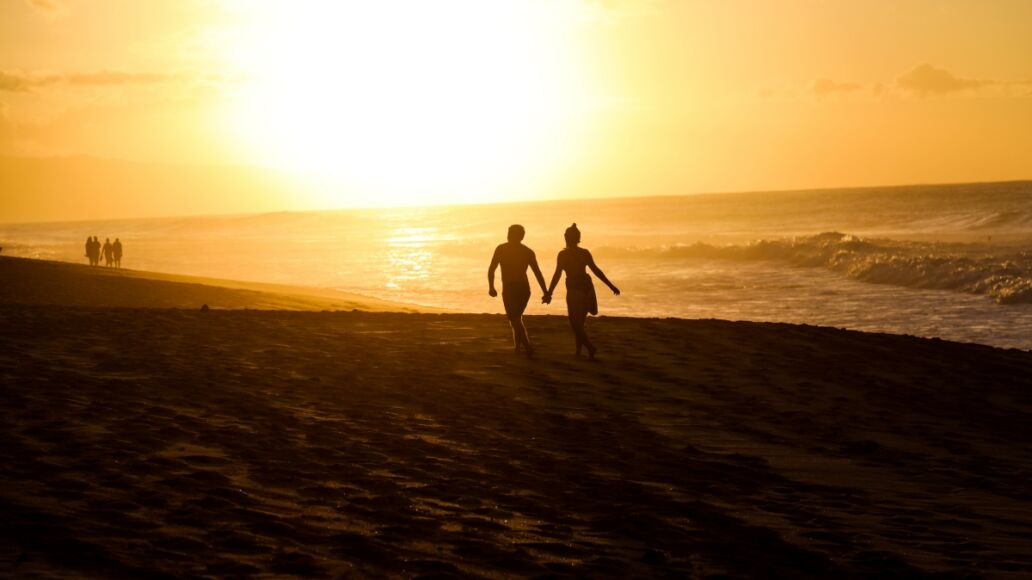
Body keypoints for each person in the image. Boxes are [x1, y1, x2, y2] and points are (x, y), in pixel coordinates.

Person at [544, 223, 620, 360]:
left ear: (566, 238)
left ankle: (590, 348)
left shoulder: (563, 254)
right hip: (588, 288)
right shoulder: (584, 253)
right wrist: (611, 286)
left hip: (575, 289)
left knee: (575, 324)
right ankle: (578, 351)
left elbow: (557, 274)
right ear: (578, 238)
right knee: (580, 323)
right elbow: (596, 271)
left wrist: (549, 292)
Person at [488, 224, 549, 356]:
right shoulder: (522, 251)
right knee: (515, 318)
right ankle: (517, 348)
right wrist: (491, 286)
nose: (508, 235)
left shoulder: (505, 249)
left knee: (514, 318)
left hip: (515, 289)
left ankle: (527, 347)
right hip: (523, 289)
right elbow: (492, 269)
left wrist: (546, 292)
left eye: (511, 233)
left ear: (519, 236)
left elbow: (537, 273)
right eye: (509, 232)